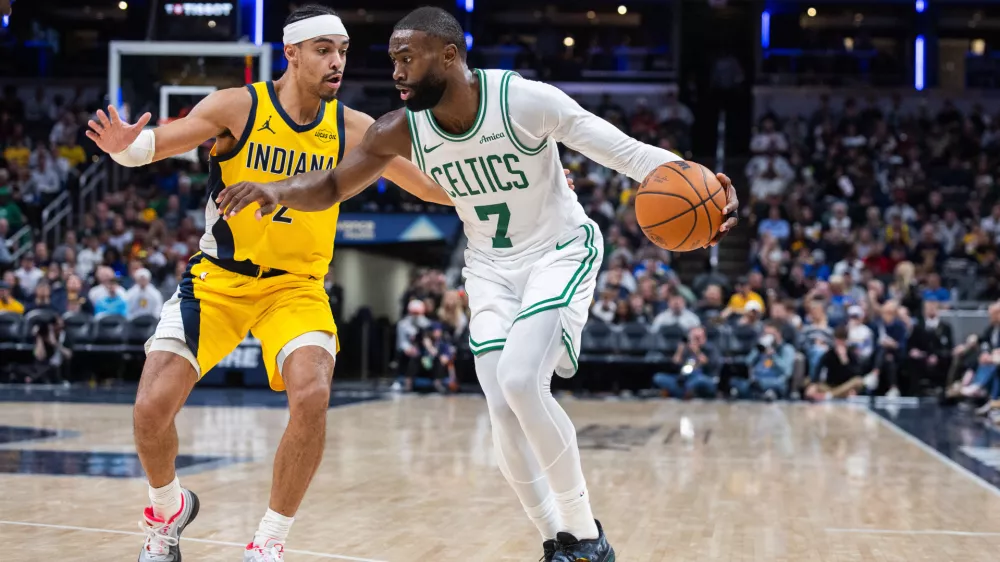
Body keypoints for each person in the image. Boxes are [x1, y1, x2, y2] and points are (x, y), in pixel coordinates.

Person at [214, 7, 739, 561]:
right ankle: (555, 542)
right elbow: (334, 184)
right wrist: (278, 190)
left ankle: (587, 538)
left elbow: (628, 155)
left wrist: (702, 181)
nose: (395, 71)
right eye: (393, 59)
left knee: (518, 381)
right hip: (489, 267)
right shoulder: (401, 128)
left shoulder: (524, 101)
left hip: (557, 253)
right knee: (501, 408)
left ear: (448, 56)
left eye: (406, 58)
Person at [84, 6, 456, 562]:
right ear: (292, 53)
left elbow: (427, 187)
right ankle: (167, 510)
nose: (338, 62)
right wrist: (124, 145)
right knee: (149, 411)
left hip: (297, 288)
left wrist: (505, 190)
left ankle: (268, 542)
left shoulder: (353, 126)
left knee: (312, 394)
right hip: (219, 281)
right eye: (325, 50)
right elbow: (156, 145)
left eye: (344, 51)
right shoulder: (239, 105)